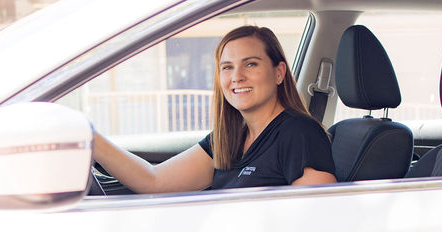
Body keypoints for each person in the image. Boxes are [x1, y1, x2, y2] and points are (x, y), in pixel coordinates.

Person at [93, 25, 337, 193]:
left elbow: (314, 222)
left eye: (250, 64)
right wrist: (88, 138)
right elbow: (154, 181)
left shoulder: (300, 133)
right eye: (227, 67)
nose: (237, 77)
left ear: (279, 72)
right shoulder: (230, 137)